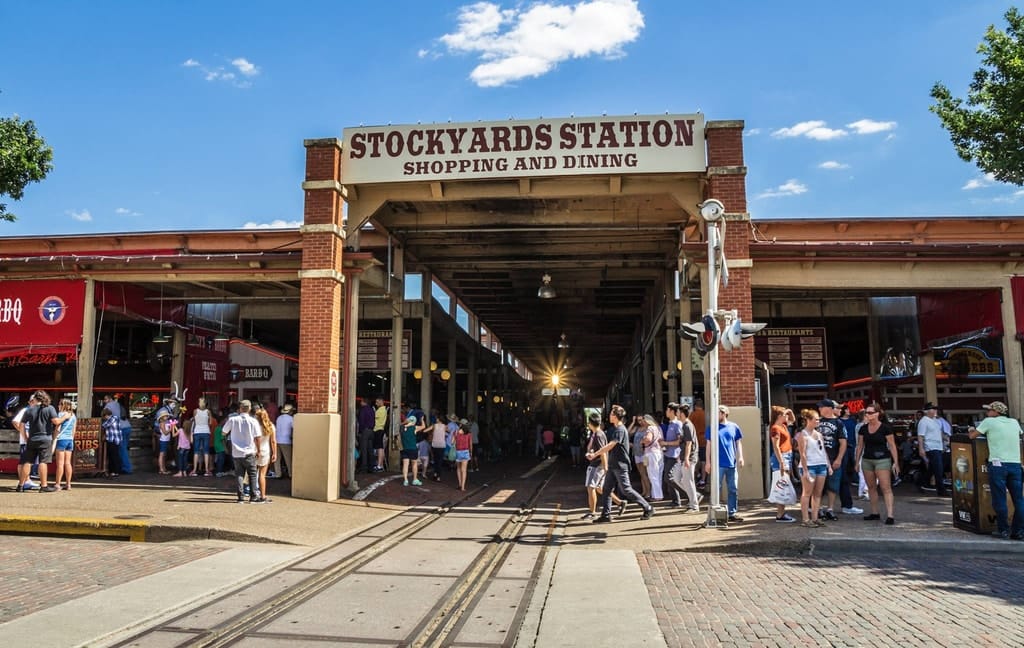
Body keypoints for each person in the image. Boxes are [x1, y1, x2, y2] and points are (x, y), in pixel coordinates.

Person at [590, 404, 655, 522]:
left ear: (615, 417)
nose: (609, 416)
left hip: (620, 465)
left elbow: (611, 445)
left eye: (611, 414)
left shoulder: (619, 430)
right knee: (606, 489)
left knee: (626, 489)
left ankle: (648, 507)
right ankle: (606, 515)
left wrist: (595, 454)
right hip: (613, 464)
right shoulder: (617, 428)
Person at [969, 401, 1024, 540]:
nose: (988, 413)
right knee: (1019, 500)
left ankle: (1003, 530)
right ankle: (1018, 531)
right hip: (1015, 465)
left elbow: (972, 436)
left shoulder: (989, 422)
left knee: (999, 499)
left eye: (989, 410)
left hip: (998, 464)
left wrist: (971, 430)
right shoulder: (1014, 423)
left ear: (996, 412)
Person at [855, 402, 899, 525]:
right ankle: (875, 512)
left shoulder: (885, 428)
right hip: (867, 459)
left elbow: (892, 445)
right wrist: (857, 462)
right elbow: (860, 446)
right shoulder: (863, 428)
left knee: (886, 487)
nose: (867, 415)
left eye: (870, 412)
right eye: (866, 413)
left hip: (882, 459)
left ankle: (890, 515)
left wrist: (896, 462)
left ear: (877, 414)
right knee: (871, 488)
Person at [817, 398, 858, 519]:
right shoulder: (817, 421)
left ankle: (830, 508)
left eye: (821, 407)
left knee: (833, 485)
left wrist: (839, 459)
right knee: (819, 486)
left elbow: (843, 443)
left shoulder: (839, 423)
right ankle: (818, 508)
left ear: (829, 408)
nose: (819, 409)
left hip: (833, 457)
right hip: (819, 459)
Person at [704, 405, 745, 522]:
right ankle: (715, 512)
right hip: (718, 464)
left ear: (724, 413)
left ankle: (732, 513)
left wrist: (741, 457)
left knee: (733, 488)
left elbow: (738, 443)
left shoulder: (734, 427)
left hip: (731, 463)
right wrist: (708, 462)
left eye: (718, 413)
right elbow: (708, 445)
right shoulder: (712, 428)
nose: (716, 416)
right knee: (717, 488)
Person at [223, 399, 265, 503]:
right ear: (249, 408)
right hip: (249, 451)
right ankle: (253, 496)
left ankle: (240, 497)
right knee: (252, 474)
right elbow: (258, 437)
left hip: (236, 452)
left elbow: (224, 432)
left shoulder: (233, 419)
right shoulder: (253, 421)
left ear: (240, 408)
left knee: (239, 475)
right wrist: (258, 450)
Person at [18, 391, 59, 492]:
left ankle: (20, 485)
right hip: (45, 439)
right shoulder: (50, 408)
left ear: (35, 399)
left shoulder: (29, 410)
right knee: (43, 462)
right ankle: (44, 486)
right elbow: (56, 422)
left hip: (32, 439)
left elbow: (21, 425)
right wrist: (65, 417)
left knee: (28, 462)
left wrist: (25, 437)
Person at [798, 409, 830, 528]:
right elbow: (803, 454)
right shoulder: (803, 435)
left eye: (818, 419)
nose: (818, 421)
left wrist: (828, 465)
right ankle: (805, 519)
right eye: (815, 419)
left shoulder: (819, 434)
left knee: (818, 494)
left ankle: (815, 518)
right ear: (808, 420)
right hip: (809, 466)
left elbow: (823, 451)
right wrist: (805, 470)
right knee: (807, 493)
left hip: (821, 465)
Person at [769, 405, 796, 523]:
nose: (787, 416)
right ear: (780, 416)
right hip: (781, 456)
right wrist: (781, 462)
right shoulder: (775, 428)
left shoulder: (783, 426)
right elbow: (776, 447)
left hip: (787, 455)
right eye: (785, 415)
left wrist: (789, 411)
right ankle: (780, 514)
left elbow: (793, 420)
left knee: (783, 484)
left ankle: (782, 513)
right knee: (781, 485)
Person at [10, 397, 39, 491]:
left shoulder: (32, 411)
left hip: (29, 439)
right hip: (25, 440)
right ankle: (24, 481)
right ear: (30, 402)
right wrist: (23, 432)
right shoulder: (25, 410)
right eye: (33, 401)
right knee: (24, 462)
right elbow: (15, 421)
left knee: (26, 461)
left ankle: (26, 480)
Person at [917, 402, 947, 496]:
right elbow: (920, 436)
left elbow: (938, 433)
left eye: (935, 409)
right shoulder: (923, 421)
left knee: (932, 468)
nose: (935, 411)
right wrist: (921, 448)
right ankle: (941, 490)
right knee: (938, 468)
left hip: (938, 447)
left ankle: (922, 483)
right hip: (930, 447)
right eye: (933, 409)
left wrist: (945, 440)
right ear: (927, 411)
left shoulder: (934, 420)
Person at [661, 403, 686, 508]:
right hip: (668, 454)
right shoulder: (670, 424)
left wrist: (665, 443)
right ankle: (676, 501)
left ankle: (689, 494)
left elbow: (679, 441)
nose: (666, 412)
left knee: (668, 478)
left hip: (674, 455)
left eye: (667, 410)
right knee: (668, 478)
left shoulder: (677, 424)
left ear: (671, 411)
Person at [253, 404, 278, 502]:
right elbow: (273, 441)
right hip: (265, 451)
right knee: (262, 475)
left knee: (252, 474)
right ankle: (263, 496)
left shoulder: (254, 426)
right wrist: (274, 453)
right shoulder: (270, 426)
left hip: (254, 450)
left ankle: (253, 494)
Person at [103, 394, 133, 475]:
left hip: (120, 428)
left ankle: (126, 469)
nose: (104, 401)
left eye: (105, 399)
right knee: (124, 449)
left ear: (109, 399)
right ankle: (122, 468)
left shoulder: (108, 405)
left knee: (122, 449)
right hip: (127, 426)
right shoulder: (118, 404)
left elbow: (106, 416)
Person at [53, 398, 77, 490]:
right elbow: (73, 431)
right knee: (68, 463)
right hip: (70, 440)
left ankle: (57, 484)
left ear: (64, 405)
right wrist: (71, 438)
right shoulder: (73, 416)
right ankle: (68, 484)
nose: (58, 406)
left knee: (60, 464)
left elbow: (57, 429)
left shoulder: (61, 415)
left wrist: (54, 438)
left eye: (60, 404)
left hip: (61, 439)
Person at [641, 414, 664, 501]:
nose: (642, 422)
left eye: (643, 420)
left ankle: (657, 496)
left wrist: (642, 441)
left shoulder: (650, 428)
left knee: (652, 475)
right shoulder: (659, 428)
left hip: (651, 453)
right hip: (659, 452)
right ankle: (657, 494)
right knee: (659, 475)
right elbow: (661, 439)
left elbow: (648, 439)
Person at [189, 398, 213, 476]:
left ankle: (194, 470)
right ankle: (206, 470)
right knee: (206, 452)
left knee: (196, 451)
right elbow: (210, 422)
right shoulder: (208, 411)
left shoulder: (195, 411)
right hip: (206, 431)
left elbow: (194, 422)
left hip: (197, 431)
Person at [399, 415, 425, 486]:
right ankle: (415, 479)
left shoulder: (402, 428)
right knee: (414, 464)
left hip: (405, 449)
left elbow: (403, 424)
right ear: (414, 422)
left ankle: (405, 480)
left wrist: (405, 422)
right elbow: (423, 426)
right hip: (413, 449)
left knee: (405, 465)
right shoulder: (414, 428)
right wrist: (422, 420)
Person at [630, 415, 651, 498]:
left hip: (645, 454)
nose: (640, 422)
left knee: (645, 473)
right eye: (638, 420)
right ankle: (644, 491)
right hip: (636, 453)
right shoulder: (637, 428)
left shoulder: (648, 428)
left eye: (641, 420)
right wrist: (633, 422)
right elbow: (628, 432)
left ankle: (648, 492)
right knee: (641, 474)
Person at [101, 406, 123, 478]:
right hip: (115, 439)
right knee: (113, 455)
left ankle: (114, 471)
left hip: (113, 439)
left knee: (113, 456)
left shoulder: (112, 418)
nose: (104, 419)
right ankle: (114, 471)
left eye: (104, 417)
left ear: (106, 415)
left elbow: (104, 425)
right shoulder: (115, 418)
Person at [274, 403, 294, 479]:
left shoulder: (279, 418)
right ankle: (290, 474)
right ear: (290, 411)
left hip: (277, 439)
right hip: (286, 441)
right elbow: (294, 428)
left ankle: (278, 474)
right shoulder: (291, 419)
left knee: (277, 459)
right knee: (288, 459)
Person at [454, 419, 473, 491]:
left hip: (458, 451)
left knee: (458, 468)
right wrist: (471, 452)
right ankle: (463, 487)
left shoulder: (456, 432)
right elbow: (470, 444)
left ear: (460, 425)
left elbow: (453, 443)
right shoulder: (469, 434)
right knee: (464, 470)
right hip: (466, 452)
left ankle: (459, 484)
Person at [357, 398, 375, 472]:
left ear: (364, 402)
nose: (360, 402)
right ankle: (371, 467)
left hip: (365, 430)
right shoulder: (371, 410)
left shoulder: (363, 410)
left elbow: (361, 420)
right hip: (371, 430)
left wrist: (360, 431)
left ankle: (364, 467)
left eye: (361, 401)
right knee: (370, 449)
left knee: (364, 449)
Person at [372, 396, 387, 472]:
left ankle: (379, 465)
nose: (376, 403)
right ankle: (380, 464)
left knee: (379, 448)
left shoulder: (381, 410)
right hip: (380, 429)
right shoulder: (382, 410)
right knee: (380, 448)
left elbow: (373, 417)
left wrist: (374, 412)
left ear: (381, 401)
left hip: (378, 429)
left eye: (377, 402)